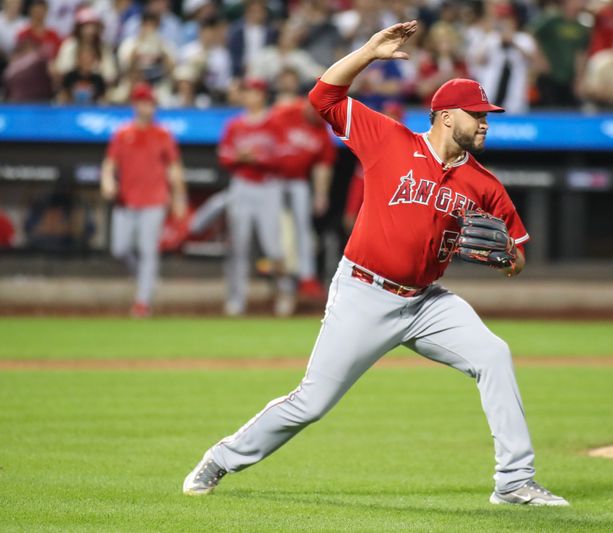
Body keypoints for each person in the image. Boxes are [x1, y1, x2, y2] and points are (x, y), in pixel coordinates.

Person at [184, 21, 569, 507]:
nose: (486, 123)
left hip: (427, 303)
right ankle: (221, 459)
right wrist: (368, 52)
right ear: (446, 117)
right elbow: (322, 97)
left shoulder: (485, 184)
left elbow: (517, 254)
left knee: (494, 356)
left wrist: (508, 259)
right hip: (364, 293)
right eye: (478, 115)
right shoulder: (389, 140)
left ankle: (514, 482)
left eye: (487, 115)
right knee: (311, 403)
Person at [100, 82, 187, 317]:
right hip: (126, 200)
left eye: (149, 103)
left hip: (154, 199)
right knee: (120, 248)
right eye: (142, 102)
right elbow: (110, 164)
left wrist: (179, 196)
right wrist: (107, 181)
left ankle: (142, 301)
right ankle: (145, 281)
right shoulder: (122, 133)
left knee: (148, 251)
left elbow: (174, 167)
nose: (146, 107)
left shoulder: (163, 134)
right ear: (134, 105)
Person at [216, 78, 294, 316]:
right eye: (246, 92)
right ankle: (236, 300)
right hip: (242, 186)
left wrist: (257, 158)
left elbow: (284, 157)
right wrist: (241, 158)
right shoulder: (235, 124)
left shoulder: (275, 122)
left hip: (269, 187)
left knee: (273, 247)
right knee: (238, 246)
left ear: (261, 95)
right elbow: (225, 157)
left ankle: (284, 292)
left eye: (253, 92)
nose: (249, 96)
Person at [262, 96, 337, 301]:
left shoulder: (321, 128)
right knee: (275, 228)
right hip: (270, 179)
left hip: (298, 181)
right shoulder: (287, 110)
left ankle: (307, 277)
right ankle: (279, 275)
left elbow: (323, 166)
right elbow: (263, 127)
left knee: (303, 228)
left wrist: (321, 194)